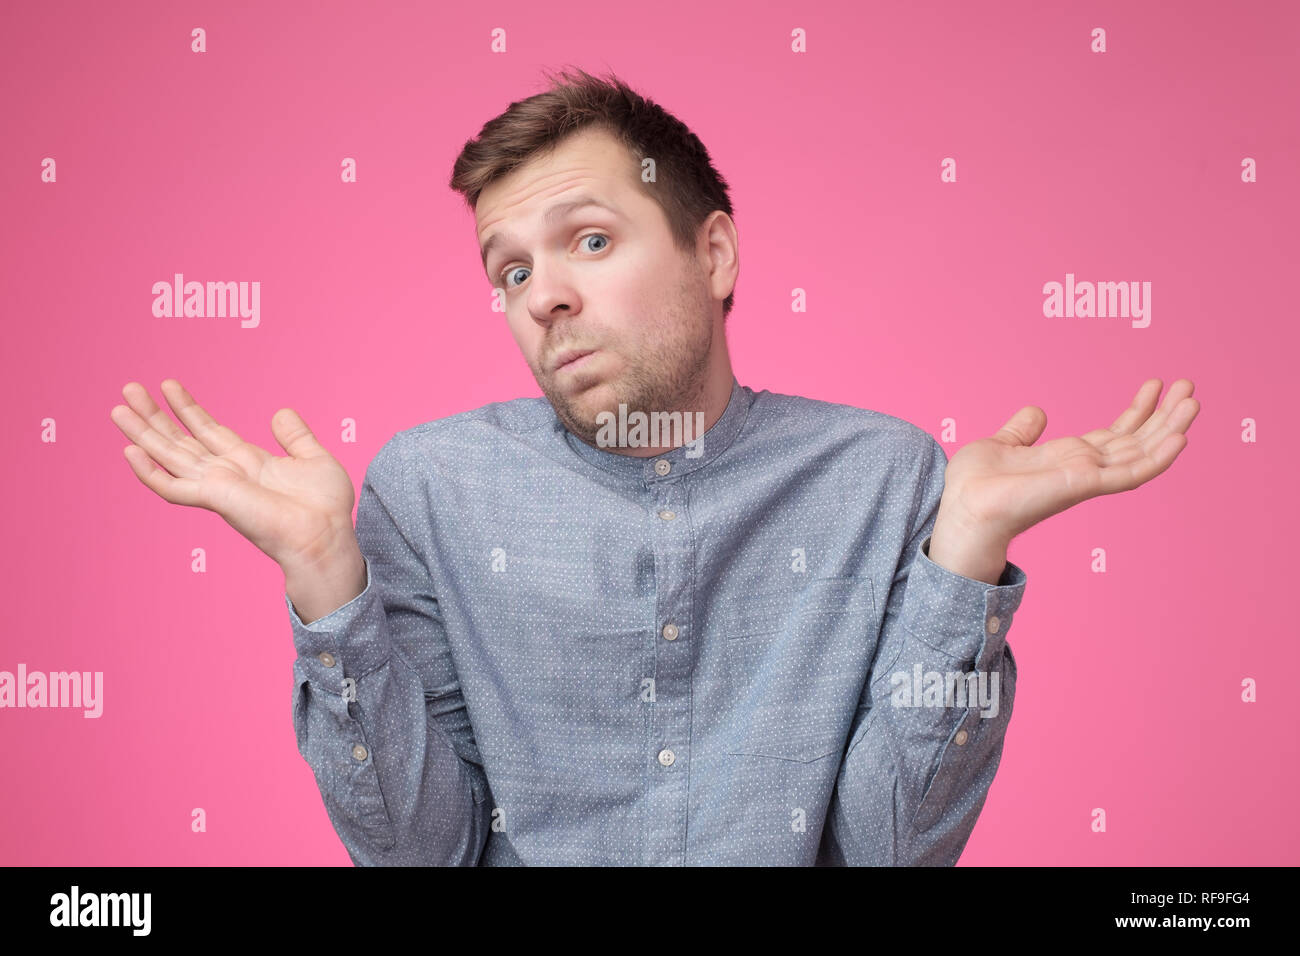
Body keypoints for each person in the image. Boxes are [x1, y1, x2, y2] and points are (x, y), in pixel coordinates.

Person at [109, 67, 1199, 866]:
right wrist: (323, 580)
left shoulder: (884, 477)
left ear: (712, 254)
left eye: (589, 240)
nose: (543, 295)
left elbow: (889, 851)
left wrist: (965, 560)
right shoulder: (426, 491)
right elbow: (421, 855)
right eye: (512, 268)